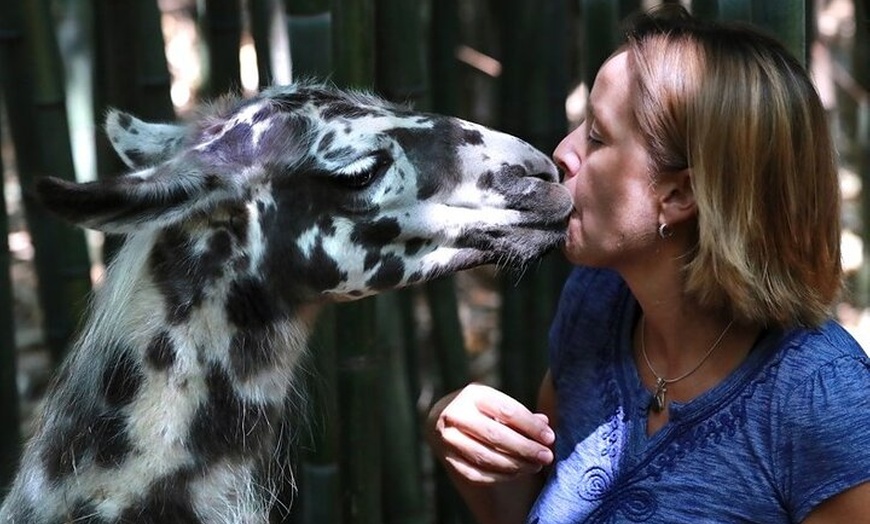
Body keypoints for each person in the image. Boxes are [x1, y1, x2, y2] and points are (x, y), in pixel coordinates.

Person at [425, 5, 870, 523]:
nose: (562, 154)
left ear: (679, 193)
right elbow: (531, 511)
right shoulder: (598, 300)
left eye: (596, 136)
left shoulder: (823, 401)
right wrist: (459, 438)